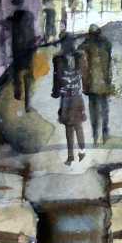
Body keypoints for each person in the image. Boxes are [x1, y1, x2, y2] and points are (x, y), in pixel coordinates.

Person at [51, 34, 86, 165]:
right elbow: (84, 74)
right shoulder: (80, 56)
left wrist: (55, 92)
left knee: (69, 127)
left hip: (66, 97)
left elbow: (56, 78)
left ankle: (70, 156)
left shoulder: (58, 59)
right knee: (78, 125)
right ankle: (81, 151)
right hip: (76, 96)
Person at [78, 24, 113, 144]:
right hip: (104, 83)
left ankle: (95, 135)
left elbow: (81, 64)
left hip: (91, 84)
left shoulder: (85, 45)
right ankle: (105, 133)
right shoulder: (106, 44)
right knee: (104, 109)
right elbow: (109, 64)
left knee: (94, 111)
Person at [2, 0, 36, 112]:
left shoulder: (15, 16)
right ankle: (28, 104)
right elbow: (32, 31)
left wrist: (5, 23)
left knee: (17, 73)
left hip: (18, 49)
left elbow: (7, 25)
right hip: (29, 48)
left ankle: (18, 95)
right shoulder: (30, 15)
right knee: (28, 75)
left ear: (15, 5)